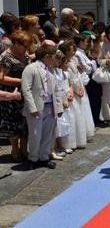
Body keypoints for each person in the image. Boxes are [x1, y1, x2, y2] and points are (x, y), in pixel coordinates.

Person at [21, 45, 63, 169]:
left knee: (47, 134)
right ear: (47, 57)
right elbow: (26, 89)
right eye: (53, 57)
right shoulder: (31, 68)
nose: (55, 60)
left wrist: (59, 107)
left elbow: (56, 90)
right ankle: (33, 158)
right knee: (35, 134)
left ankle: (44, 157)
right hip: (37, 107)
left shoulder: (51, 70)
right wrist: (32, 108)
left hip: (50, 106)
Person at [0, 30, 32, 162]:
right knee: (13, 123)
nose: (27, 48)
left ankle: (24, 149)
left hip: (24, 92)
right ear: (16, 44)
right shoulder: (6, 57)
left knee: (24, 121)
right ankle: (15, 149)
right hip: (10, 94)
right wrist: (21, 81)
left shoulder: (25, 55)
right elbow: (1, 78)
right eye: (25, 45)